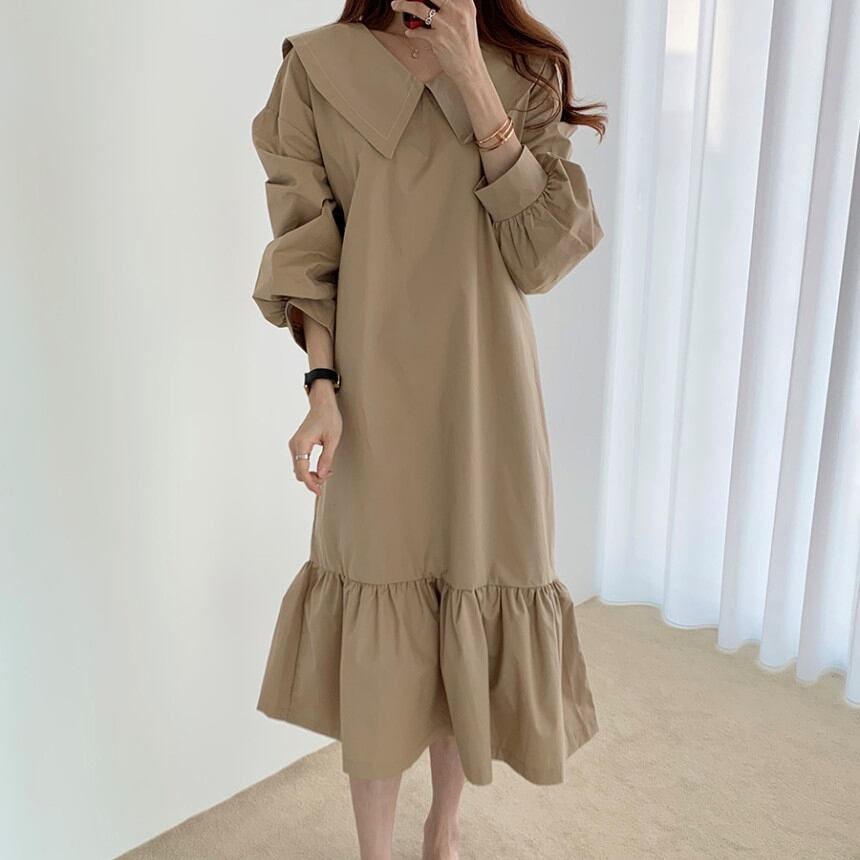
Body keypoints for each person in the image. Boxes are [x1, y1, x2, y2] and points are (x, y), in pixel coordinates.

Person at [250, 2, 606, 858]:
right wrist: (321, 389)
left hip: (486, 391)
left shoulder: (522, 70)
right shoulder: (317, 68)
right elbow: (308, 247)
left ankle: (442, 831)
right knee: (381, 623)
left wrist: (474, 76)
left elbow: (542, 257)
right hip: (371, 394)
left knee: (468, 602)